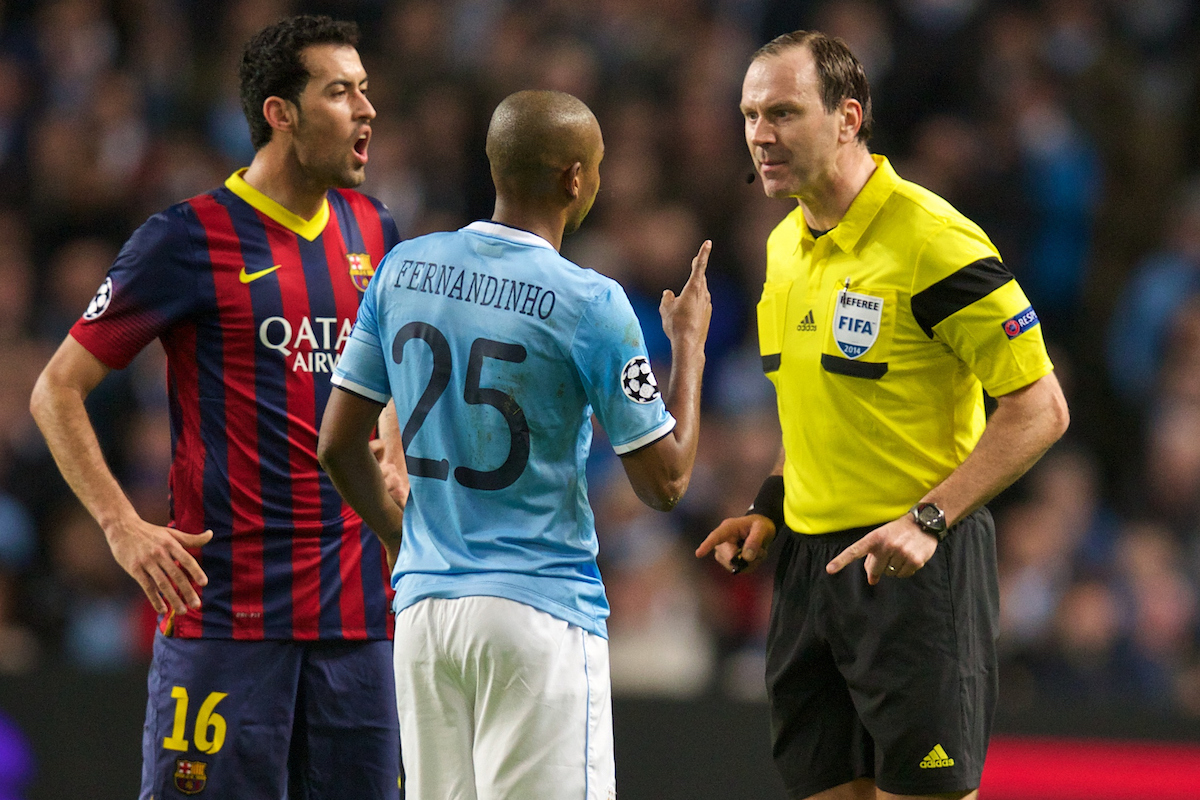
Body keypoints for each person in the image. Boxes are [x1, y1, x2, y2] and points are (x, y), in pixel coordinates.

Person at [30, 16, 405, 800]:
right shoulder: (186, 239)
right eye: (341, 91)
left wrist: (395, 454)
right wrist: (120, 525)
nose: (367, 109)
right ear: (281, 113)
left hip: (358, 624)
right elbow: (56, 389)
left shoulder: (376, 231)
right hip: (228, 619)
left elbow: (388, 377)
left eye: (366, 89)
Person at [696, 31, 1070, 800]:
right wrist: (769, 509)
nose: (760, 135)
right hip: (808, 574)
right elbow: (814, 417)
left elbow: (1041, 408)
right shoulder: (782, 249)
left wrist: (928, 521)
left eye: (784, 113)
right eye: (749, 114)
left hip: (919, 577)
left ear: (847, 118)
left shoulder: (934, 241)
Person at [317, 89, 711, 800]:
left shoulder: (402, 269)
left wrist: (402, 541)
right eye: (595, 166)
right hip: (538, 611)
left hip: (426, 619)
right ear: (573, 178)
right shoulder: (588, 300)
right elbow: (667, 483)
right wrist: (689, 347)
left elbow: (337, 444)